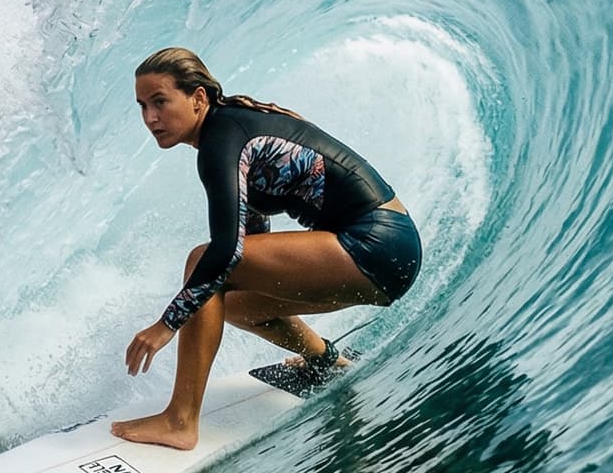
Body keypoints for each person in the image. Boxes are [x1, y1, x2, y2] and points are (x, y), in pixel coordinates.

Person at [111, 47, 424, 451]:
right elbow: (250, 239)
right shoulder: (232, 129)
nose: (150, 118)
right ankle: (324, 361)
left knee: (202, 262)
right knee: (231, 301)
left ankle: (180, 420)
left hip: (377, 242)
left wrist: (165, 325)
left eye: (160, 102)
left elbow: (225, 250)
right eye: (142, 106)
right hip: (389, 252)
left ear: (198, 98)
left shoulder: (221, 141)